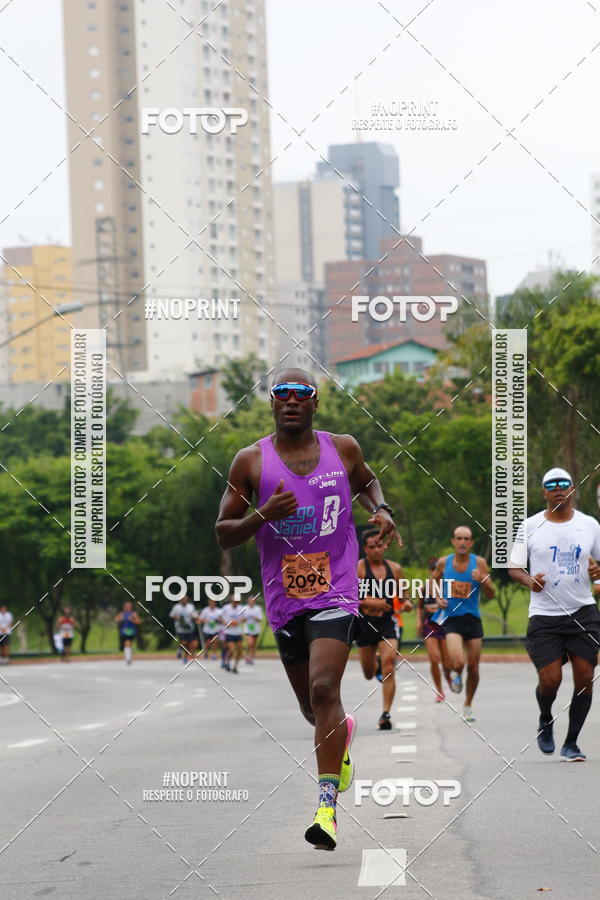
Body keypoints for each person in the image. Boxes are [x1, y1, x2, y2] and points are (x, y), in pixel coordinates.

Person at [215, 368, 401, 851]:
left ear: (315, 403)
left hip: (336, 588)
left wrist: (382, 509)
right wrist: (262, 516)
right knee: (311, 707)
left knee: (324, 688)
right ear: (272, 404)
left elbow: (367, 483)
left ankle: (326, 809)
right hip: (284, 598)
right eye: (283, 394)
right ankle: (342, 737)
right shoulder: (250, 461)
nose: (292, 401)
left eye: (302, 394)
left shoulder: (343, 448)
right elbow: (223, 531)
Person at [509, 467, 600, 761]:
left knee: (585, 676)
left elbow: (598, 565)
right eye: (552, 485)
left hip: (583, 611)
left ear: (572, 490)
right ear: (544, 492)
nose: (559, 489)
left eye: (565, 484)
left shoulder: (590, 525)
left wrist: (597, 574)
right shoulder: (530, 526)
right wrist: (528, 580)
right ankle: (545, 719)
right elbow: (513, 567)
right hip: (545, 615)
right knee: (550, 680)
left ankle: (571, 742)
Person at [431, 526, 495, 721]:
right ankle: (456, 674)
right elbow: (432, 583)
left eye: (466, 539)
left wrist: (483, 580)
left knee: (474, 667)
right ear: (453, 541)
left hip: (472, 619)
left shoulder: (480, 563)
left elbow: (491, 595)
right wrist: (438, 598)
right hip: (452, 619)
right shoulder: (444, 563)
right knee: (458, 662)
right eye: (459, 538)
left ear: (471, 543)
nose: (462, 542)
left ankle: (467, 704)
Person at [355, 530, 411, 730]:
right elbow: (350, 598)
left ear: (385, 547)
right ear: (365, 549)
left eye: (380, 545)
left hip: (386, 624)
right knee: (369, 674)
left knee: (389, 666)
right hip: (364, 625)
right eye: (372, 547)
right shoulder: (359, 569)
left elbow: (404, 597)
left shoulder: (395, 569)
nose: (377, 550)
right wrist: (371, 602)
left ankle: (385, 714)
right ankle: (376, 665)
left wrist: (406, 604)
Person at [416, 559, 451, 702]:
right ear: (430, 573)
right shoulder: (424, 588)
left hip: (446, 626)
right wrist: (418, 621)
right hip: (430, 626)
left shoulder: (448, 587)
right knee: (434, 658)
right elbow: (419, 606)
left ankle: (450, 678)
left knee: (447, 662)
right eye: (433, 572)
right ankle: (440, 691)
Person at [169, 595, 199, 663]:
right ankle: (179, 649)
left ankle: (185, 657)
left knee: (189, 644)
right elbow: (171, 615)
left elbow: (194, 615)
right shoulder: (176, 607)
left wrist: (196, 618)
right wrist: (177, 618)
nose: (184, 601)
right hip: (180, 628)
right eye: (182, 599)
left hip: (190, 628)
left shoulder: (191, 607)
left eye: (185, 599)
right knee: (184, 642)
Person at [219, 595, 245, 673]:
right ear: (231, 601)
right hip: (229, 632)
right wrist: (226, 623)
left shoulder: (241, 608)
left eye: (237, 602)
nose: (235, 603)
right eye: (234, 601)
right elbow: (220, 617)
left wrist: (238, 621)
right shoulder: (226, 608)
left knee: (240, 651)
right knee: (232, 650)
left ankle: (235, 667)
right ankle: (227, 662)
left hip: (238, 632)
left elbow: (244, 618)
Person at [242, 595, 263, 664]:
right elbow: (241, 619)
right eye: (250, 600)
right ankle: (247, 655)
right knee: (250, 643)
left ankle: (251, 658)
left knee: (254, 645)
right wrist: (244, 619)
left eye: (253, 601)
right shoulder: (244, 608)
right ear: (248, 601)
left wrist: (255, 618)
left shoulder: (258, 608)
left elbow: (260, 619)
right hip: (247, 628)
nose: (251, 602)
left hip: (255, 628)